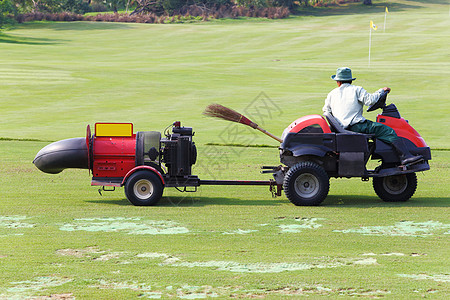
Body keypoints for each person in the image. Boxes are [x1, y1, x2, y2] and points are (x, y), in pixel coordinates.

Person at [323, 67, 422, 165]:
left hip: (341, 128)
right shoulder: (356, 89)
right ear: (350, 81)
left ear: (338, 82)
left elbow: (326, 111)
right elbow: (370, 100)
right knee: (387, 131)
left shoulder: (331, 94)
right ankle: (405, 156)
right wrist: (381, 91)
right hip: (357, 126)